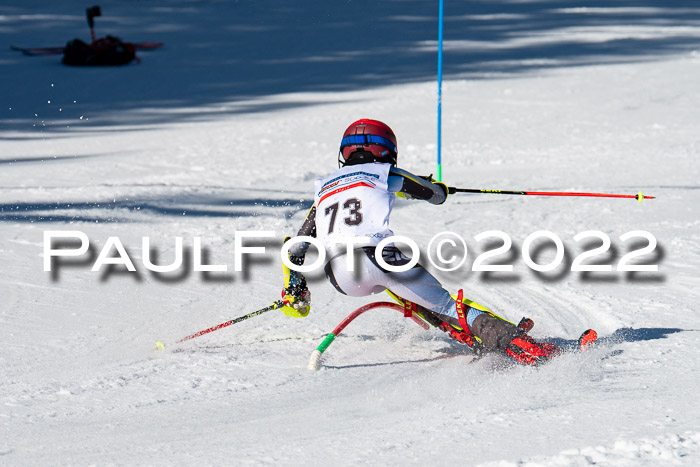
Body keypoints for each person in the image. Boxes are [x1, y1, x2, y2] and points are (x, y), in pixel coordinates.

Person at [279, 118, 561, 365]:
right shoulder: (383, 172)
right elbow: (432, 195)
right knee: (448, 305)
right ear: (387, 151)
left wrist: (296, 287)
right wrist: (437, 188)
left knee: (405, 292)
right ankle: (516, 343)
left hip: (340, 275)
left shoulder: (325, 189)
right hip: (377, 256)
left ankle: (471, 336)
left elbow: (297, 246)